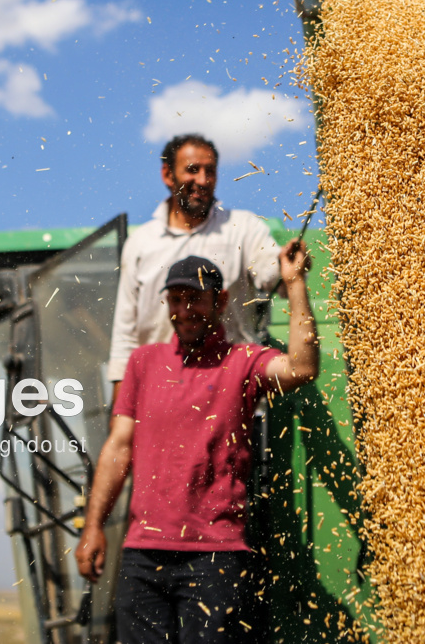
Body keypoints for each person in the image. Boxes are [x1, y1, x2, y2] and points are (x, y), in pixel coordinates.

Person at [76, 245, 318, 643]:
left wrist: (293, 283)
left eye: (195, 299)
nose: (185, 310)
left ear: (220, 301)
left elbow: (302, 367)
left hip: (215, 559)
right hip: (142, 556)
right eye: (176, 299)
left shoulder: (243, 361)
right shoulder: (142, 363)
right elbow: (119, 447)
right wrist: (94, 526)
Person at [107, 134, 282, 395]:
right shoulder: (141, 244)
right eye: (192, 170)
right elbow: (125, 336)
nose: (202, 180)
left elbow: (274, 276)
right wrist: (122, 417)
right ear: (168, 175)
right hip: (159, 395)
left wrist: (290, 266)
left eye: (209, 171)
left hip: (231, 393)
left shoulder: (242, 228)